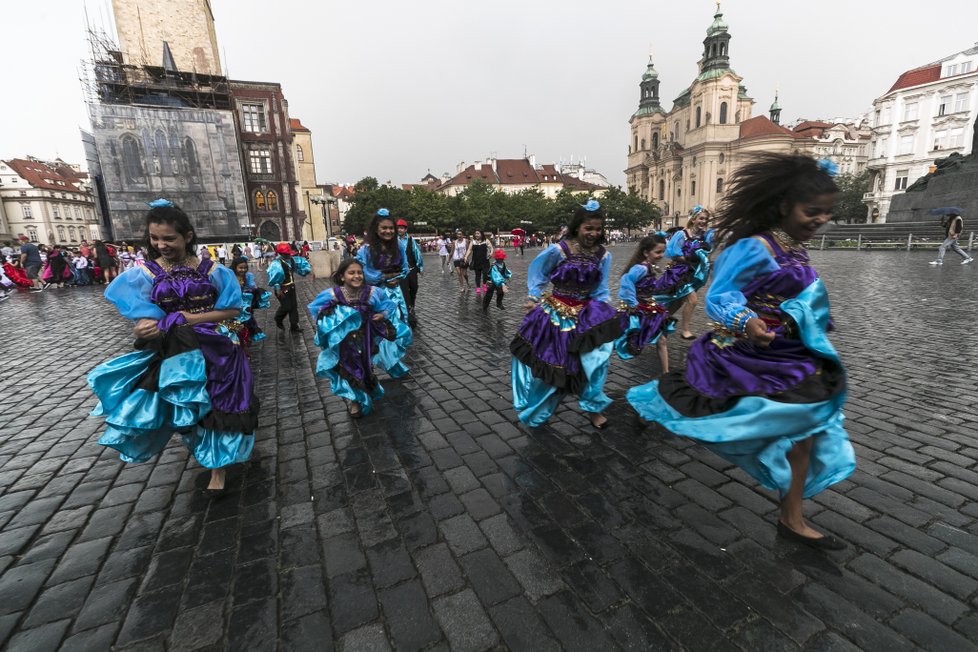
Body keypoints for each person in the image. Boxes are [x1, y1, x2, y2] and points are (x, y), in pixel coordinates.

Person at [627, 154, 856, 550]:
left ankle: (791, 517)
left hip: (789, 354)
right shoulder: (754, 247)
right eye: (812, 211)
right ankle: (652, 406)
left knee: (809, 430)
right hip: (746, 354)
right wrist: (746, 320)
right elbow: (721, 294)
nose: (820, 220)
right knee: (717, 419)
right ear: (785, 206)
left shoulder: (795, 247)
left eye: (827, 213)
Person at [86, 200, 258, 493]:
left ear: (188, 237)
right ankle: (204, 451)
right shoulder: (144, 274)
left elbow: (231, 310)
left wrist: (190, 317)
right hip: (173, 350)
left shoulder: (215, 271)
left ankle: (217, 468)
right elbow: (143, 314)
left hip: (215, 348)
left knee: (218, 405)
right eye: (155, 238)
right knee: (187, 407)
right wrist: (143, 326)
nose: (161, 245)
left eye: (169, 238)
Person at [510, 200, 621, 428]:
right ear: (577, 227)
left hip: (585, 316)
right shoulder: (560, 249)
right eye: (588, 228)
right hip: (555, 315)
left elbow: (601, 289)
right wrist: (533, 297)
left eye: (598, 229)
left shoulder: (603, 255)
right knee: (555, 367)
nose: (593, 233)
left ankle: (593, 409)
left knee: (594, 365)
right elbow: (538, 271)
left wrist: (606, 312)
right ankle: (539, 410)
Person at [308, 259, 406, 417]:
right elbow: (317, 310)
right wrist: (330, 317)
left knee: (366, 365)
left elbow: (388, 304)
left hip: (367, 337)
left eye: (359, 272)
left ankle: (368, 389)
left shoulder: (373, 292)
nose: (356, 276)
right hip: (345, 341)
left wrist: (382, 314)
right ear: (342, 276)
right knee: (349, 367)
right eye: (351, 272)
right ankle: (354, 401)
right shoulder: (333, 294)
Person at [615, 233, 692, 374]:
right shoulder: (641, 268)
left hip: (649, 307)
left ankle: (665, 373)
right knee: (624, 336)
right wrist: (633, 303)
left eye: (663, 252)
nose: (661, 255)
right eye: (658, 252)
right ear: (645, 252)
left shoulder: (649, 267)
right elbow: (626, 281)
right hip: (640, 308)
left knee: (661, 339)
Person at [355, 208, 413, 378]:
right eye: (384, 228)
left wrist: (398, 277)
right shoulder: (366, 250)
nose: (388, 231)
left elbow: (404, 268)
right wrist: (385, 276)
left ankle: (392, 364)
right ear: (376, 230)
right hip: (375, 295)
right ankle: (372, 365)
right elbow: (363, 273)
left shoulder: (399, 246)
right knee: (377, 330)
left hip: (395, 294)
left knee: (397, 329)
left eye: (391, 228)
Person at [666, 206, 715, 339]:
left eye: (706, 219)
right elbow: (673, 254)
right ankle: (685, 331)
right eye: (701, 218)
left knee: (677, 302)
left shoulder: (705, 236)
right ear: (693, 219)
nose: (704, 221)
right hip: (680, 272)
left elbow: (708, 252)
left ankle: (659, 321)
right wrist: (690, 258)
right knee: (692, 300)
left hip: (693, 274)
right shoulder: (682, 234)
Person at [267, 242, 311, 332]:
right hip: (282, 288)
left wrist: (306, 269)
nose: (288, 255)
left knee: (294, 306)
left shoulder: (292, 260)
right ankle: (278, 318)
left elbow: (300, 268)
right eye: (286, 254)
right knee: (286, 307)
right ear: (280, 253)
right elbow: (275, 276)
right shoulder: (276, 263)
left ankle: (294, 326)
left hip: (291, 286)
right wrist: (278, 289)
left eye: (288, 253)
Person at [230, 256, 271, 350]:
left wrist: (256, 290)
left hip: (246, 304)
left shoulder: (247, 276)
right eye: (240, 268)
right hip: (234, 303)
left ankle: (246, 339)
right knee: (236, 322)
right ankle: (238, 340)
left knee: (248, 321)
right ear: (235, 267)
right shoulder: (230, 276)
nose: (243, 270)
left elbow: (252, 286)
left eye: (245, 268)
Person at [396, 219, 424, 327]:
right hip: (401, 271)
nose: (400, 230)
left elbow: (417, 253)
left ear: (405, 229)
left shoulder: (411, 240)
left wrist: (420, 267)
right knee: (404, 291)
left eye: (402, 228)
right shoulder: (394, 241)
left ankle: (411, 304)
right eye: (398, 228)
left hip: (412, 269)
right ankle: (408, 310)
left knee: (414, 287)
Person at [483, 249, 512, 314]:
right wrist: (502, 283)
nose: (502, 260)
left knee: (500, 293)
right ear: (497, 258)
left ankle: (499, 303)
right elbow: (496, 275)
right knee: (489, 294)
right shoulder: (494, 266)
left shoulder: (503, 264)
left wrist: (508, 276)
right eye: (500, 259)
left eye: (502, 258)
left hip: (500, 281)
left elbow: (505, 271)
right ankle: (485, 306)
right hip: (493, 281)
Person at [466, 230, 493, 296]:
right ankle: (478, 287)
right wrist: (466, 256)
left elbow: (491, 248)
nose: (476, 235)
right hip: (476, 261)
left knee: (485, 274)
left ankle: (484, 285)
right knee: (477, 275)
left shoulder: (486, 240)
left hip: (485, 261)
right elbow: (469, 250)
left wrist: (491, 253)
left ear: (481, 234)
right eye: (475, 233)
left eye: (478, 233)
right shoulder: (473, 242)